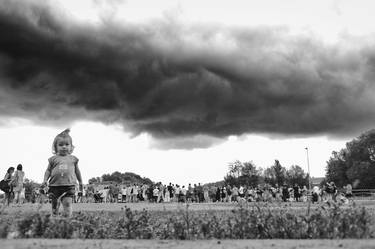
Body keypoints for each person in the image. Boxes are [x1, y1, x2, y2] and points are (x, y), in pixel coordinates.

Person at [42, 129, 83, 217]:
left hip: (69, 185)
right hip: (54, 186)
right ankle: (55, 220)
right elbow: (48, 170)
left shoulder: (73, 159)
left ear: (71, 146)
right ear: (55, 147)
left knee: (67, 203)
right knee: (55, 206)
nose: (64, 147)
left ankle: (67, 221)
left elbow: (77, 171)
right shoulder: (53, 159)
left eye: (67, 144)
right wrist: (45, 180)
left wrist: (81, 182)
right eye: (60, 145)